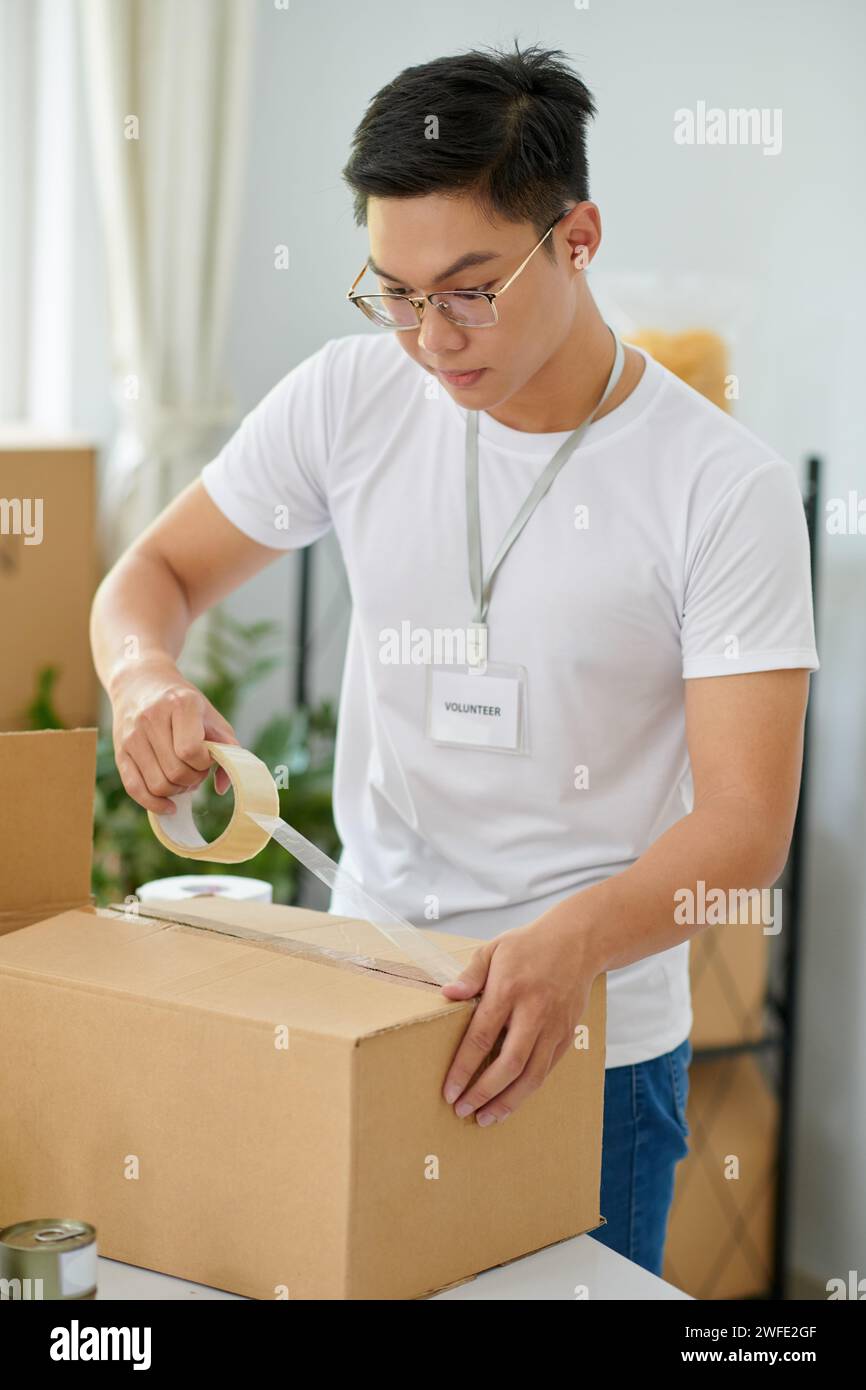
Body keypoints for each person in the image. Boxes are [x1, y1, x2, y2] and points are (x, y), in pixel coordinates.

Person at [90, 41, 819, 1278]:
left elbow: (746, 827)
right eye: (395, 290)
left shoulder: (720, 487)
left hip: (588, 1043)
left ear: (577, 236)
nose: (430, 337)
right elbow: (143, 580)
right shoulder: (351, 396)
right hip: (363, 1007)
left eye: (470, 288)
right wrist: (143, 679)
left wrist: (567, 944)